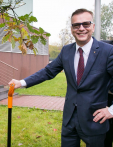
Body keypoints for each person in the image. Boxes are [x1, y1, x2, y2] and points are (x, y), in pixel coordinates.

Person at [9, 8, 113, 147]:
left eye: (86, 24)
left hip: (94, 120)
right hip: (69, 120)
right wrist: (21, 82)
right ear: (72, 29)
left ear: (93, 27)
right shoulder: (66, 51)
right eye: (76, 25)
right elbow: (48, 72)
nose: (81, 28)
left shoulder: (107, 51)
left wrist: (111, 110)